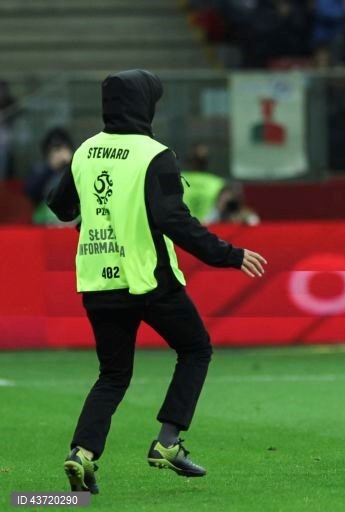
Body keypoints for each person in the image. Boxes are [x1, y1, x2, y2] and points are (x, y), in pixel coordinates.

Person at [46, 69, 267, 494]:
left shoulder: (86, 151)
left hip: (97, 281)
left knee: (112, 375)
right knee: (196, 348)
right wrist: (229, 254)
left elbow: (59, 207)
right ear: (145, 105)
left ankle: (83, 454)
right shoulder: (154, 154)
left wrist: (94, 215)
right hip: (148, 280)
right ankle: (167, 443)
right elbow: (172, 220)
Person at [24, 127, 75, 224]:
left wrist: (71, 165)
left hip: (71, 222)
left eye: (62, 148)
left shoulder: (76, 168)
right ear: (46, 152)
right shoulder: (39, 170)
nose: (58, 154)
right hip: (44, 224)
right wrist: (51, 167)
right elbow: (30, 192)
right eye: (55, 149)